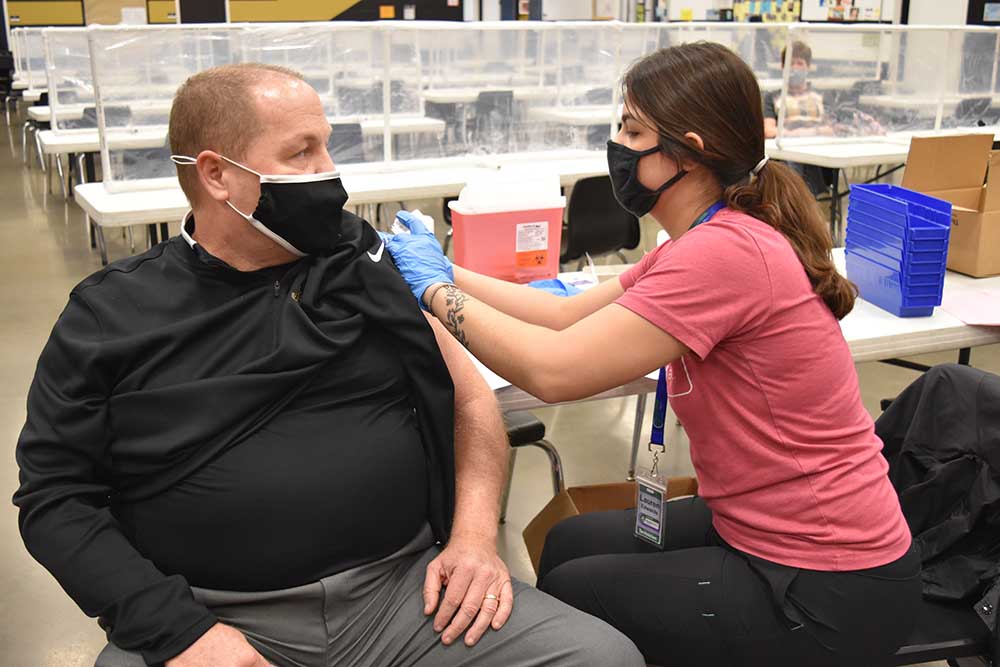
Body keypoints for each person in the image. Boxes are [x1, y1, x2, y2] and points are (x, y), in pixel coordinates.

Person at [13, 63, 643, 667]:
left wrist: (475, 538)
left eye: (327, 147)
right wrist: (176, 630)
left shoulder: (355, 260)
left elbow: (471, 398)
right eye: (302, 153)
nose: (329, 172)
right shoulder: (112, 315)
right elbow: (55, 497)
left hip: (405, 595)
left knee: (601, 657)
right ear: (216, 176)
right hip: (215, 614)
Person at [382, 42, 922, 667]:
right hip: (761, 524)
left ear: (686, 153)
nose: (617, 144)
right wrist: (449, 269)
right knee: (569, 540)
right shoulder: (706, 237)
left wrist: (430, 289)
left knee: (569, 591)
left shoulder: (722, 255)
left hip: (825, 580)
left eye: (632, 130)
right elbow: (562, 313)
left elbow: (554, 370)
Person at [763, 40, 835, 196]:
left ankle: (801, 200)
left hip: (815, 153)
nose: (795, 68)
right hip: (787, 153)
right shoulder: (773, 97)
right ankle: (799, 200)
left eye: (800, 63)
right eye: (791, 63)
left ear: (808, 66)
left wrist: (791, 133)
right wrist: (810, 131)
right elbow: (768, 131)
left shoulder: (821, 97)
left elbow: (831, 129)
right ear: (783, 67)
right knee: (790, 162)